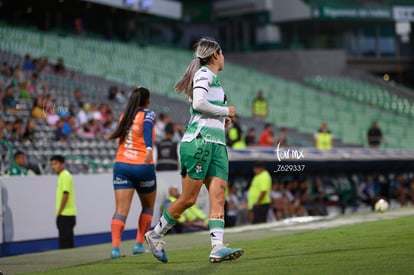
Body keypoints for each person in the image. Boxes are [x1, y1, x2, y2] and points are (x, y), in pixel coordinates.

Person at [145, 37, 243, 264]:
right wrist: (225, 110)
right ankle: (155, 234)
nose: (224, 57)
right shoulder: (204, 74)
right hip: (199, 141)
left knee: (218, 195)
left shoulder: (215, 81)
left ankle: (217, 247)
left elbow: (204, 110)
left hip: (217, 144)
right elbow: (199, 104)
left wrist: (222, 120)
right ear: (216, 54)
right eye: (223, 53)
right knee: (188, 199)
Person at [107, 87, 157, 259]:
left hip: (122, 165)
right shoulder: (148, 114)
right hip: (143, 165)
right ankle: (138, 245)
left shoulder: (124, 116)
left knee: (120, 210)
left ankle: (115, 249)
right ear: (147, 100)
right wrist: (149, 147)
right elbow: (146, 129)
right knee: (148, 206)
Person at [50, 155, 77, 249]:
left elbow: (66, 194)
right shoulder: (63, 175)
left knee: (65, 243)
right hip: (67, 214)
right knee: (67, 242)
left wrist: (59, 212)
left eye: (55, 164)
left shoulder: (64, 175)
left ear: (62, 164)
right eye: (52, 164)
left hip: (66, 214)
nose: (53, 166)